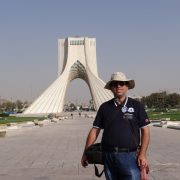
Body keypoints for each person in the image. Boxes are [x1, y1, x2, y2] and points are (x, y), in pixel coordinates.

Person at [81, 72, 150, 180]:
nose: (118, 86)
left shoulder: (137, 106)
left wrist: (142, 154)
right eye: (115, 84)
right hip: (109, 156)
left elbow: (145, 131)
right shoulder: (104, 107)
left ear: (127, 86)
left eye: (122, 83)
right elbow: (95, 131)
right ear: (111, 88)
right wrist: (86, 153)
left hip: (130, 156)